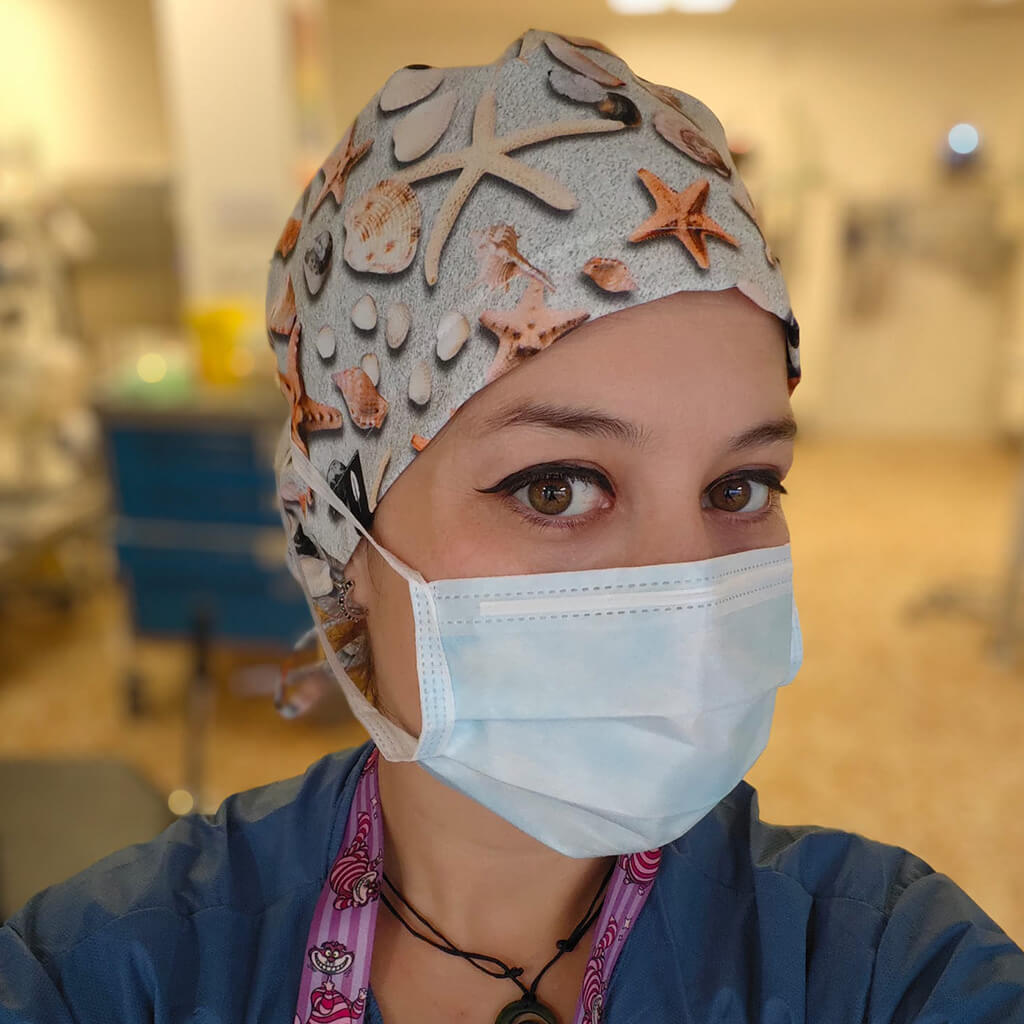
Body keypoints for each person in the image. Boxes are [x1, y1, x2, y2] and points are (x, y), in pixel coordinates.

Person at [2, 27, 1023, 1024]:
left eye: (738, 486)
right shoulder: (114, 973)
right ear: (338, 535)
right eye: (555, 488)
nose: (683, 595)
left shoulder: (875, 965)